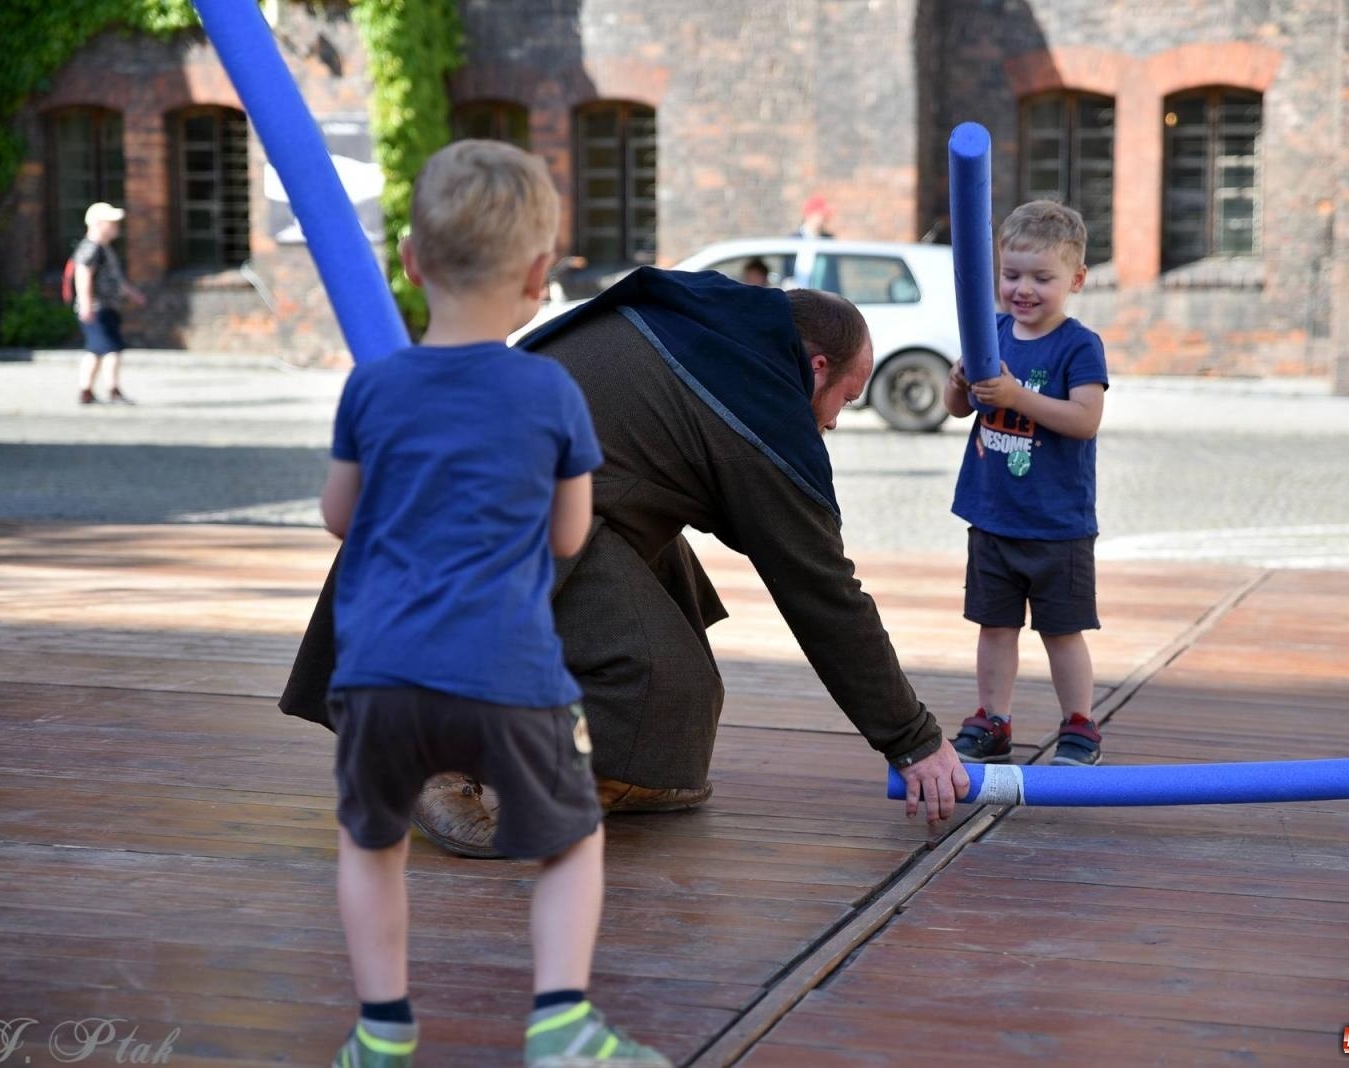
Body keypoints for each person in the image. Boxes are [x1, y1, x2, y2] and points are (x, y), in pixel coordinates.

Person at [280, 270, 970, 858]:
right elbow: (821, 589)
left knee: (668, 567)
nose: (834, 424)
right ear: (814, 367)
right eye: (843, 402)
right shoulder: (757, 403)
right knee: (660, 684)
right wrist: (913, 740)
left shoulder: (702, 326)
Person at [320, 140, 668, 1068]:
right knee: (568, 839)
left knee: (372, 843)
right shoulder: (550, 390)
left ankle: (382, 1027)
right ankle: (559, 1020)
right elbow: (567, 538)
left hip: (379, 677)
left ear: (410, 261)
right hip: (510, 674)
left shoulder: (373, 386)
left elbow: (338, 516)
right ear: (542, 275)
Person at [942, 200, 1109, 768]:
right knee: (995, 625)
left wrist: (1017, 398)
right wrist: (959, 380)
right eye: (1012, 275)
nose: (1024, 289)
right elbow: (956, 408)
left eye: (1043, 277)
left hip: (1057, 523)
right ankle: (993, 719)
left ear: (1076, 280)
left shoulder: (1079, 345)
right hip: (992, 513)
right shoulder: (988, 331)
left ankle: (1080, 724)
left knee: (1062, 630)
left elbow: (1085, 420)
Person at [72, 202, 146, 405]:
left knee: (95, 350)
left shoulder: (103, 248)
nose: (116, 226)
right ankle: (113, 390)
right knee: (112, 349)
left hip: (105, 308)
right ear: (96, 224)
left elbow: (116, 280)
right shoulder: (92, 248)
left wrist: (132, 294)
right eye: (111, 222)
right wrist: (86, 303)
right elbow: (83, 275)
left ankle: (85, 391)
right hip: (98, 309)